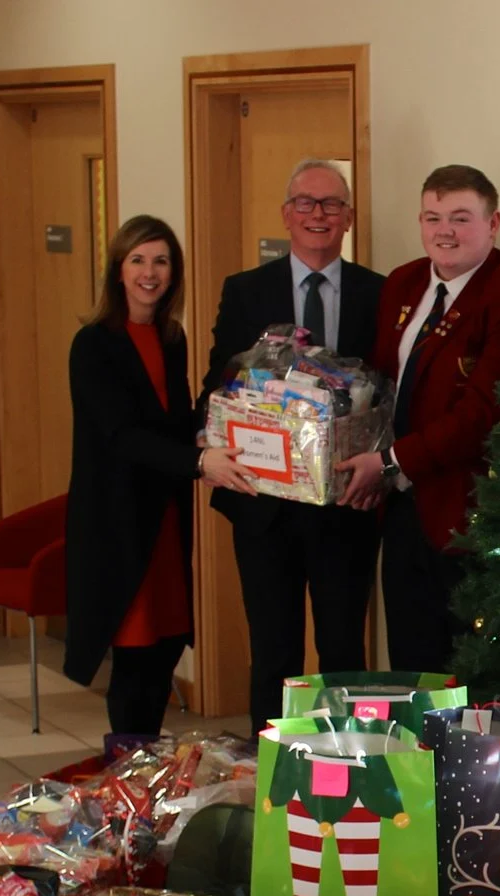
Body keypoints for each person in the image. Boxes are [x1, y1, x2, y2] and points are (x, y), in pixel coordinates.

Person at [195, 159, 385, 730]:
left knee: (344, 655)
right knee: (273, 654)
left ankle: (351, 770)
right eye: (305, 203)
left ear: (349, 216)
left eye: (331, 204)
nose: (318, 215)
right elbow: (218, 386)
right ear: (286, 215)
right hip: (264, 508)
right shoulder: (246, 291)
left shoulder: (381, 294)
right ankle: (271, 782)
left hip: (347, 508)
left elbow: (389, 396)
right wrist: (206, 449)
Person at [339, 164, 500, 672]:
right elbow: (382, 383)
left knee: (464, 674)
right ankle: (415, 754)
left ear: (493, 224)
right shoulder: (403, 282)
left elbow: (481, 415)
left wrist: (389, 461)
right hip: (400, 506)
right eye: (433, 217)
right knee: (411, 662)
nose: (444, 231)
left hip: (467, 514)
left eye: (461, 218)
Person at [65, 215, 239, 735]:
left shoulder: (170, 337)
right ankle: (125, 776)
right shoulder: (93, 344)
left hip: (164, 520)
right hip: (119, 524)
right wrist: (197, 462)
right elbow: (121, 435)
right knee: (134, 659)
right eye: (138, 259)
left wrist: (221, 432)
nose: (150, 272)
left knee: (163, 651)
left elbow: (174, 420)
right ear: (117, 271)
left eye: (161, 260)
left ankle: (148, 772)